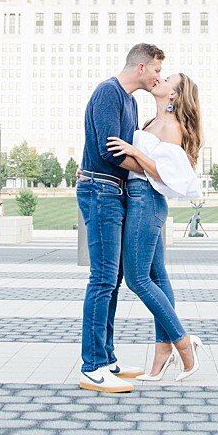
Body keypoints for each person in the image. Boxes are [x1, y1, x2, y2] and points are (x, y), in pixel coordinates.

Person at [106, 72, 206, 383]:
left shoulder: (172, 128)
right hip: (139, 197)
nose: (159, 80)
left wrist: (136, 151)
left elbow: (167, 174)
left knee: (136, 279)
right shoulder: (153, 122)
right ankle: (163, 349)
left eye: (167, 81)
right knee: (156, 276)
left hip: (146, 200)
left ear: (173, 96)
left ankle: (182, 341)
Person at [77, 42, 163, 394]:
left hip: (116, 192)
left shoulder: (130, 101)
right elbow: (109, 151)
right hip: (100, 190)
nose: (159, 77)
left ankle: (107, 358)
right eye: (157, 70)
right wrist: (151, 170)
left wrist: (143, 165)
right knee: (102, 279)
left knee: (113, 279)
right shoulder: (108, 93)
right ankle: (91, 366)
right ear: (141, 67)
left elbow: (128, 151)